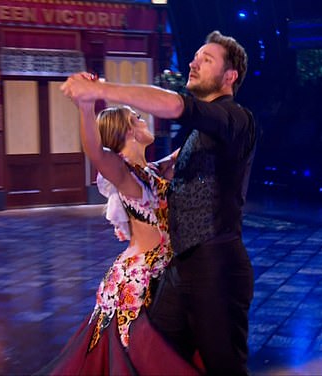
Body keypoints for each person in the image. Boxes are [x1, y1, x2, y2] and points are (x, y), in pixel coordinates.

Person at [61, 30, 258, 374]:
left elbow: (175, 105)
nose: (194, 62)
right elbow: (107, 155)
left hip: (215, 266)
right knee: (152, 353)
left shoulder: (235, 119)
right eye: (194, 56)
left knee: (221, 365)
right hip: (177, 268)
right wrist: (86, 107)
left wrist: (99, 90)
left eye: (206, 59)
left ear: (230, 76)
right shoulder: (195, 138)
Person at [37, 98, 200, 375]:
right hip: (139, 278)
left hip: (160, 271)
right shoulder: (126, 176)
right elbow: (96, 152)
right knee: (140, 354)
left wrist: (210, 115)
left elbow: (184, 152)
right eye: (137, 118)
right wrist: (86, 108)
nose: (144, 120)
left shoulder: (150, 172)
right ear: (128, 131)